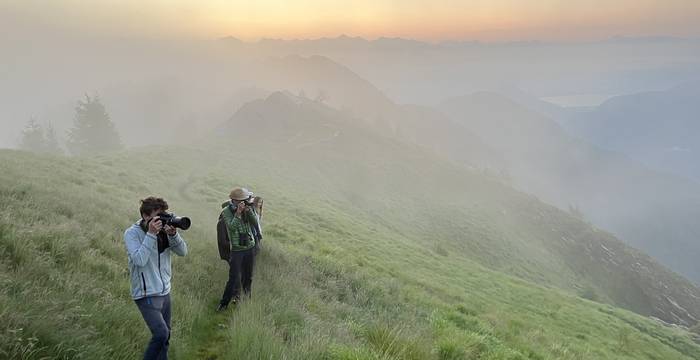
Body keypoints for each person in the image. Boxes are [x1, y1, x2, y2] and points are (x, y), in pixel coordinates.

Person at [123, 197, 188, 360]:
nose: (162, 218)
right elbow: (139, 260)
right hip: (146, 294)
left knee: (165, 337)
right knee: (160, 333)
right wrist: (151, 234)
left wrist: (173, 235)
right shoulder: (132, 233)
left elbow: (183, 252)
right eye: (158, 215)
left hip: (165, 291)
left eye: (164, 214)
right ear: (146, 216)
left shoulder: (164, 231)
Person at [217, 187, 260, 311]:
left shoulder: (248, 208)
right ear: (234, 200)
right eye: (243, 200)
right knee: (233, 278)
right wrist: (238, 214)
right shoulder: (226, 211)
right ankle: (224, 303)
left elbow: (255, 223)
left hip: (249, 247)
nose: (245, 202)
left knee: (248, 276)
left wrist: (249, 210)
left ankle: (246, 299)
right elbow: (231, 227)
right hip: (237, 250)